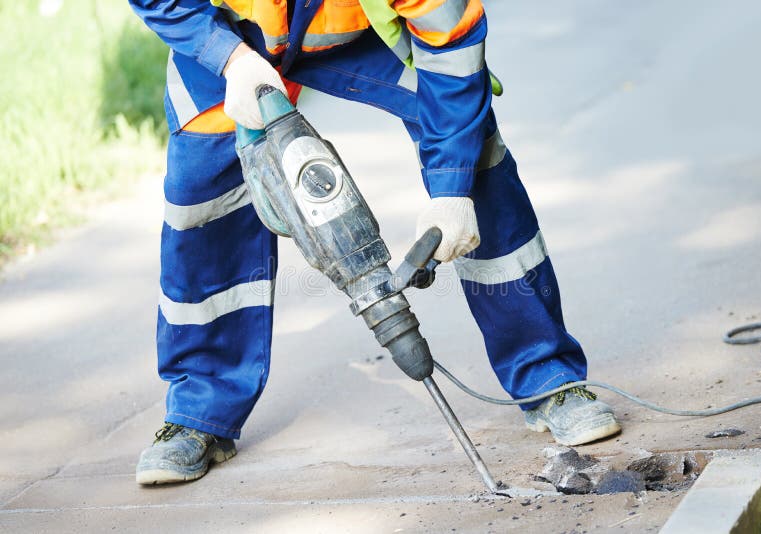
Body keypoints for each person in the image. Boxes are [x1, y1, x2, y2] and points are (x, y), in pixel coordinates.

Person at [129, 0, 621, 485]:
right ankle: (199, 413)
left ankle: (550, 379)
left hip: (363, 34)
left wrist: (451, 190)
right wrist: (228, 58)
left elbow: (450, 41)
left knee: (474, 155)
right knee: (201, 193)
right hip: (230, 37)